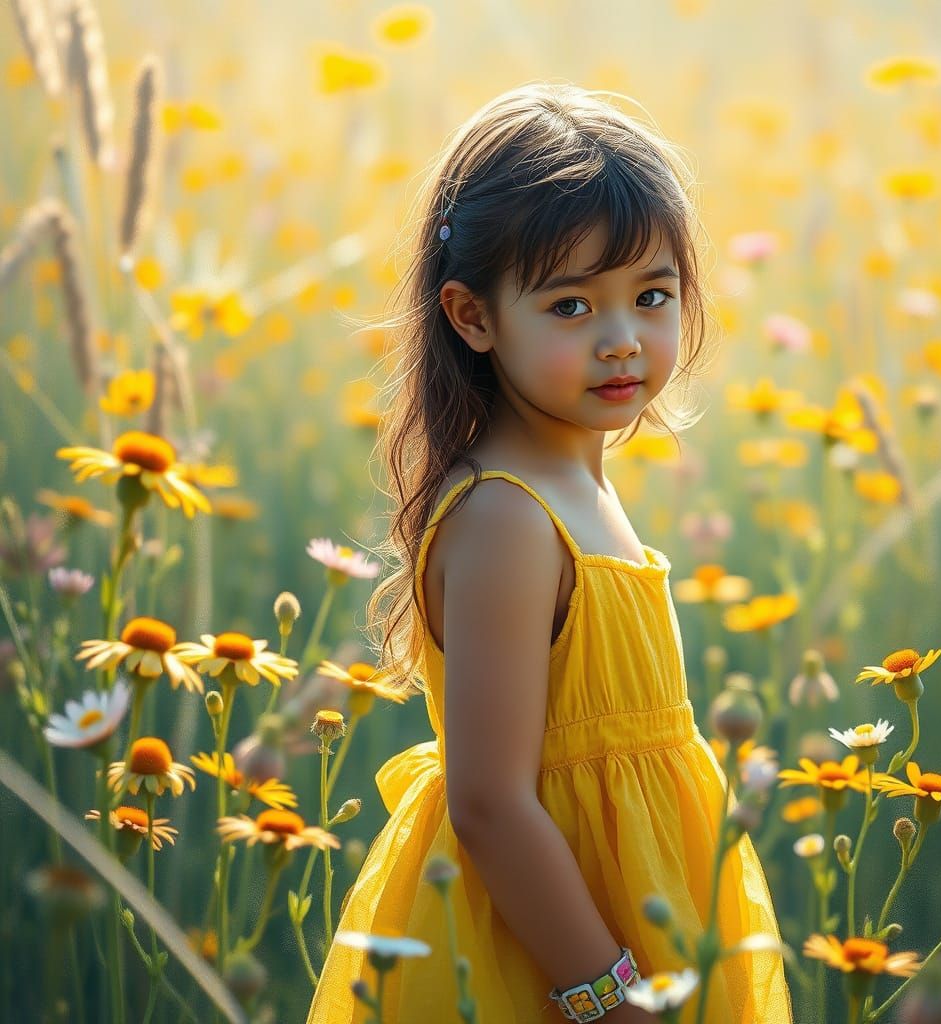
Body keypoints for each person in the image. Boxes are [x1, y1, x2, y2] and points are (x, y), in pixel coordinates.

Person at [305, 81, 793, 1024]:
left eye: (651, 297)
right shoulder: (508, 519)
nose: (621, 341)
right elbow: (489, 803)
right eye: (570, 308)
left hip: (639, 922)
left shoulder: (582, 488)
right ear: (473, 316)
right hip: (546, 960)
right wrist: (607, 997)